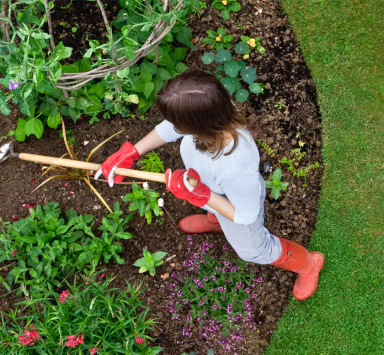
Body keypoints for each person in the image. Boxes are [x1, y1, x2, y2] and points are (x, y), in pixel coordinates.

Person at [95, 70, 324, 301]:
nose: (173, 126)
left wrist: (201, 195)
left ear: (196, 126)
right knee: (216, 208)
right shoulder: (214, 110)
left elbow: (246, 215)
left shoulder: (235, 167)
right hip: (216, 194)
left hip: (238, 210)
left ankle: (308, 264)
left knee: (255, 251)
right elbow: (170, 128)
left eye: (177, 123)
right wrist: (133, 152)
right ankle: (215, 222)